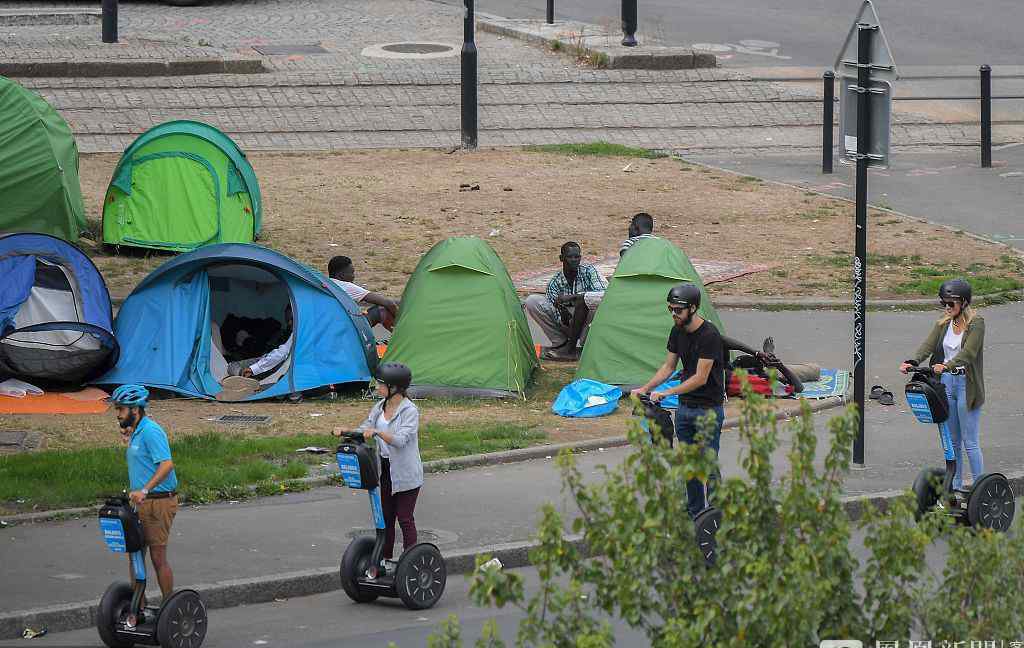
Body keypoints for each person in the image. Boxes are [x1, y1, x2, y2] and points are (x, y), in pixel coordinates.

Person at [631, 283, 726, 519]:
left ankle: (716, 514)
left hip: (708, 410)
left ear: (692, 308)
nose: (673, 314)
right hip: (685, 409)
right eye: (670, 309)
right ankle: (694, 512)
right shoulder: (677, 331)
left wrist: (667, 392)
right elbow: (669, 366)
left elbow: (700, 378)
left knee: (708, 462)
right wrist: (645, 388)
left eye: (678, 310)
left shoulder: (709, 335)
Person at [334, 362, 423, 573]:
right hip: (385, 470)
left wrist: (378, 433)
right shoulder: (380, 407)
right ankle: (385, 560)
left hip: (406, 472)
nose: (376, 387)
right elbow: (365, 428)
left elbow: (401, 440)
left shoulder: (410, 411)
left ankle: (411, 562)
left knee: (404, 517)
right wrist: (346, 431)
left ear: (394, 387)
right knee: (386, 518)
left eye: (380, 384)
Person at [900, 278, 985, 492]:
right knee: (953, 440)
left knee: (970, 441)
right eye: (943, 303)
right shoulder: (944, 323)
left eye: (951, 304)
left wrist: (947, 366)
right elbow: (928, 345)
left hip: (967, 385)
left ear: (964, 303)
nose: (947, 308)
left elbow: (969, 353)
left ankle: (980, 487)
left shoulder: (977, 323)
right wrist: (913, 361)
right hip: (947, 384)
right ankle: (955, 486)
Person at [109, 384, 178, 624]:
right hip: (140, 503)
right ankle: (140, 608)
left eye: (121, 409)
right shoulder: (136, 430)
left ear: (135, 409)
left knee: (158, 558)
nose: (117, 414)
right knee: (135, 556)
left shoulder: (151, 431)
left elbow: (167, 464)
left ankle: (170, 611)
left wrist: (145, 490)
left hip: (158, 501)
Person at [524, 241, 607, 360]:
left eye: (577, 257)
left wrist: (574, 297)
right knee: (532, 301)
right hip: (569, 325)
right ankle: (560, 343)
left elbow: (604, 295)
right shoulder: (555, 283)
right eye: (569, 257)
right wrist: (564, 313)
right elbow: (560, 318)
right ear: (561, 258)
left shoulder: (589, 271)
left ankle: (584, 346)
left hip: (589, 325)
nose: (574, 260)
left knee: (590, 302)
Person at [328, 256, 400, 331]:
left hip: (331, 327)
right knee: (382, 309)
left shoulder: (325, 284)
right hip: (348, 329)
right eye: (352, 272)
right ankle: (401, 334)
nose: (353, 276)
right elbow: (388, 303)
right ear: (340, 275)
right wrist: (400, 320)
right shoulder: (346, 286)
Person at [225, 303, 293, 380]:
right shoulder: (284, 332)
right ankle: (243, 376)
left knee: (232, 365)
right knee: (233, 365)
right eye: (287, 320)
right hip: (267, 357)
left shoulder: (295, 334)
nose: (289, 323)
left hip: (270, 361)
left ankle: (243, 377)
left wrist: (253, 369)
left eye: (292, 319)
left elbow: (281, 353)